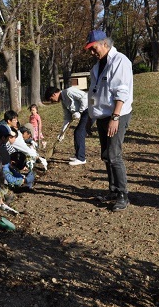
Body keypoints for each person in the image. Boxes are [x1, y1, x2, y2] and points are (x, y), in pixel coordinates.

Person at [84, 30, 133, 211]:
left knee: (114, 155)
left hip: (116, 115)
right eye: (90, 49)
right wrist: (90, 117)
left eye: (94, 48)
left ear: (105, 43)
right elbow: (93, 94)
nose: (92, 52)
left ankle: (123, 194)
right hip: (103, 115)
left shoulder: (120, 61)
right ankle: (112, 190)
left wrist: (115, 117)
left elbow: (122, 91)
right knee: (106, 155)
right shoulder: (97, 67)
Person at [44, 86, 89, 166]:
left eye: (51, 99)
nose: (52, 101)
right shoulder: (64, 101)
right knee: (77, 132)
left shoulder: (69, 92)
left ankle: (81, 158)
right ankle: (78, 155)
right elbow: (67, 118)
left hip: (89, 110)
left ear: (54, 94)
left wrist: (80, 111)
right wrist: (62, 133)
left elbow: (85, 97)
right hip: (84, 113)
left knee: (79, 133)